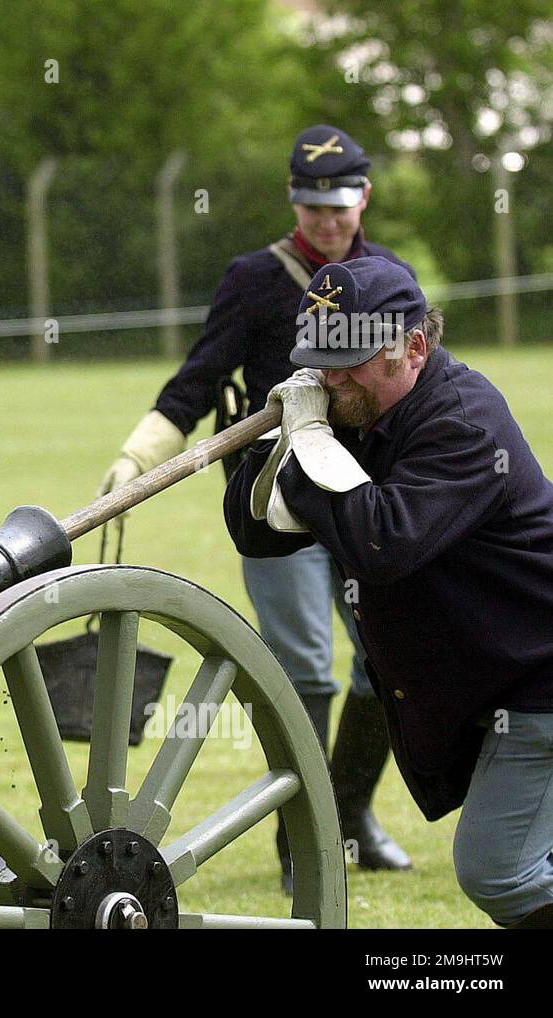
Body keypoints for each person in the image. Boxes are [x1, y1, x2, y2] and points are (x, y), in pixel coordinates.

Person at [101, 125, 412, 890]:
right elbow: (200, 377)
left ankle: (349, 813)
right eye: (311, 208)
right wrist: (136, 456)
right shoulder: (254, 278)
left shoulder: (390, 279)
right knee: (306, 665)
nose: (326, 223)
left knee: (386, 660)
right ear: (293, 200)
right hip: (277, 504)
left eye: (338, 207)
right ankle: (301, 843)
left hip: (363, 497)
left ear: (363, 198)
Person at [224, 256, 553, 927]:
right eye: (321, 358)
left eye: (350, 360)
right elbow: (258, 535)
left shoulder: (461, 420)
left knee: (501, 869)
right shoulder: (360, 407)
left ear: (414, 347)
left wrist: (311, 440)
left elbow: (382, 542)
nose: (332, 376)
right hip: (494, 682)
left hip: (538, 680)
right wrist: (273, 448)